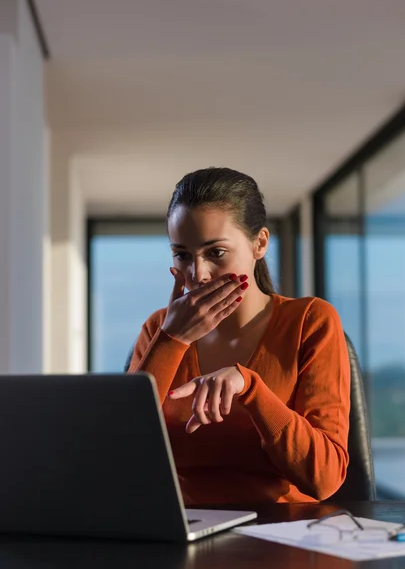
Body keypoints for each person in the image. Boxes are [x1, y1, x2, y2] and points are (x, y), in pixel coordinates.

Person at [128, 167, 350, 504]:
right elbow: (121, 451)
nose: (198, 274)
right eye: (182, 255)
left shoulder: (310, 321)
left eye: (215, 253)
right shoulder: (159, 328)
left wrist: (250, 388)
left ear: (259, 243)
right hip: (183, 529)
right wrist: (172, 340)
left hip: (283, 535)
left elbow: (324, 479)